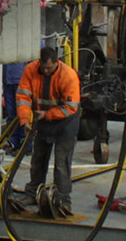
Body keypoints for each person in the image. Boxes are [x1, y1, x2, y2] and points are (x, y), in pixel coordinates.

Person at [15, 47, 81, 215]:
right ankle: (32, 193)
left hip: (65, 122)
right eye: (42, 67)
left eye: (49, 68)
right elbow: (23, 97)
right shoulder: (30, 70)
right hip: (41, 118)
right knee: (38, 157)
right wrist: (25, 120)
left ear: (57, 63)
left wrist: (48, 114)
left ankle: (63, 200)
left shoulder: (69, 76)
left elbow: (70, 108)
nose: (45, 71)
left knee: (61, 162)